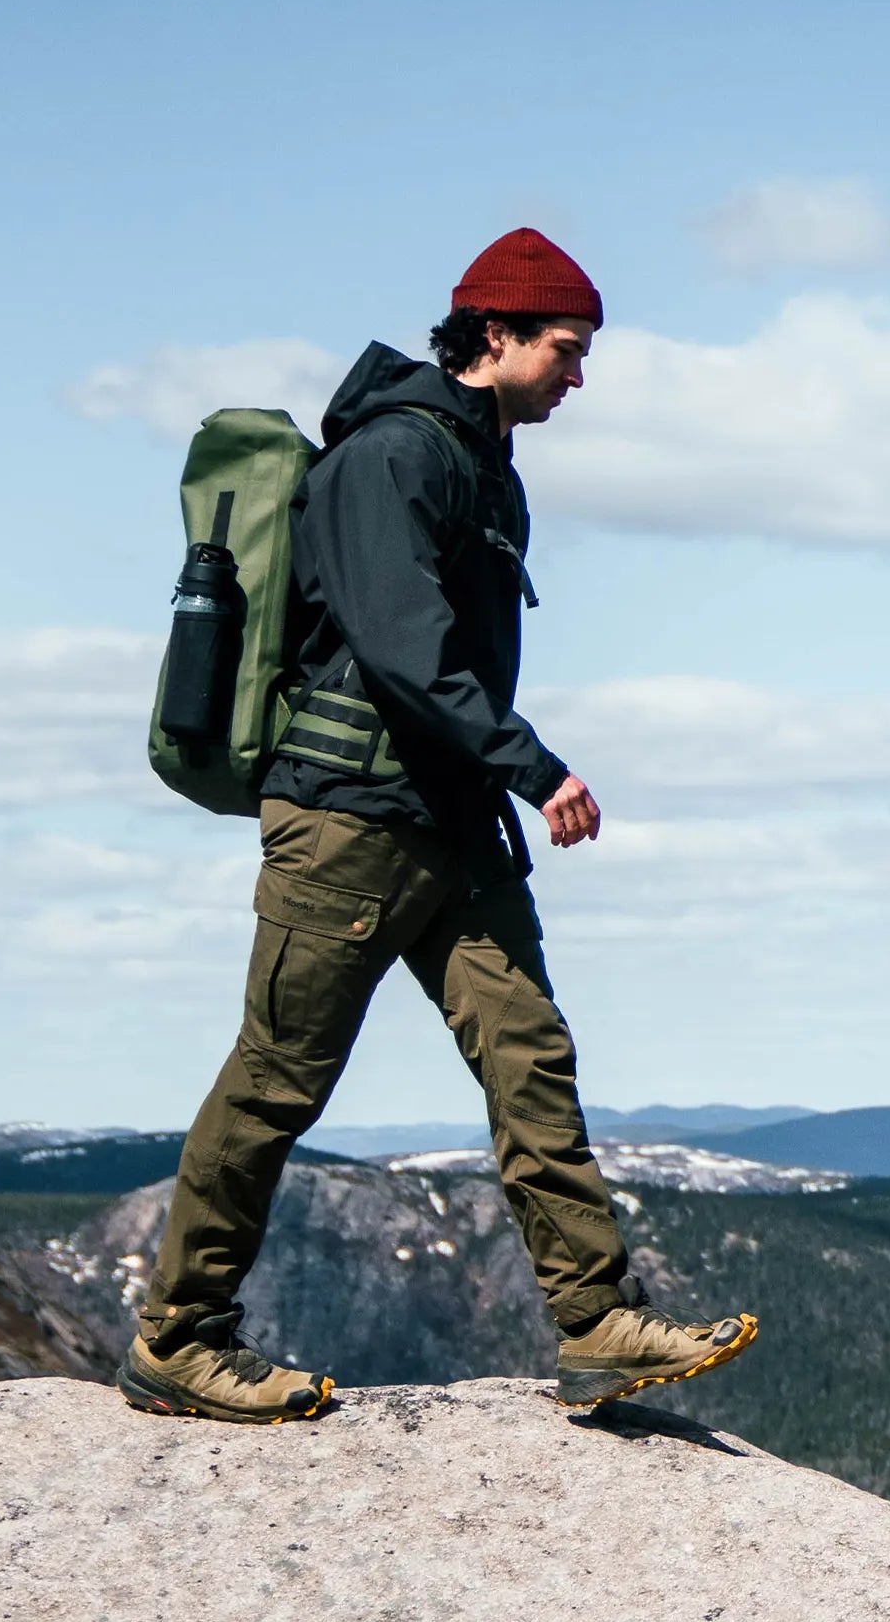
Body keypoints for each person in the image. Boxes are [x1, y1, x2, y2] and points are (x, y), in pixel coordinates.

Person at [119, 227, 759, 1423]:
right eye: (566, 350)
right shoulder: (393, 458)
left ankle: (594, 1320)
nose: (580, 375)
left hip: (450, 826)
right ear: (495, 337)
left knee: (530, 1056)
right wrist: (535, 766)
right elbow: (405, 651)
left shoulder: (487, 470)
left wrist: (493, 781)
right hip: (348, 823)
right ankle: (177, 1338)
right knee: (276, 1083)